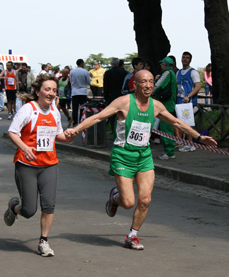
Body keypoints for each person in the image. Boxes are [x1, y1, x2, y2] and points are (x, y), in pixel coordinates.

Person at [64, 70, 218, 250]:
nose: (148, 85)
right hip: (122, 156)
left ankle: (132, 235)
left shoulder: (157, 105)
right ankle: (115, 198)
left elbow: (176, 122)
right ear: (135, 85)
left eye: (151, 82)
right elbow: (99, 116)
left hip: (144, 157)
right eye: (144, 82)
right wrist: (75, 129)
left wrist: (199, 137)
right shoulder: (123, 102)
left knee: (145, 199)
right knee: (128, 202)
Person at [3, 74, 75, 257]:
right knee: (28, 210)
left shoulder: (54, 112)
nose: (51, 93)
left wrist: (68, 137)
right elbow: (12, 132)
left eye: (53, 90)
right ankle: (14, 208)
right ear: (37, 91)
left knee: (49, 205)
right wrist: (25, 147)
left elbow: (57, 136)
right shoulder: (29, 109)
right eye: (47, 89)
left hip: (49, 164)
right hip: (27, 164)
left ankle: (44, 241)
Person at [176, 52, 202, 152]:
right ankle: (183, 142)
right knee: (181, 123)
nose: (185, 59)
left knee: (187, 123)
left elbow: (198, 86)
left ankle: (190, 144)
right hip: (179, 101)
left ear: (190, 60)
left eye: (187, 58)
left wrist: (189, 96)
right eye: (183, 57)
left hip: (189, 102)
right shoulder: (178, 72)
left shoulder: (193, 72)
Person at [153, 57, 178, 160]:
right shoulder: (171, 73)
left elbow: (158, 87)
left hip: (166, 104)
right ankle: (169, 151)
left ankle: (169, 151)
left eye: (162, 64)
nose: (161, 65)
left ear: (165, 65)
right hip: (168, 104)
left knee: (166, 128)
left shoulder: (167, 73)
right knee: (167, 128)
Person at [103, 58, 129, 134]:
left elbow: (106, 86)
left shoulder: (108, 73)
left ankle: (113, 130)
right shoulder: (125, 73)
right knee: (123, 114)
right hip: (122, 95)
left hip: (111, 96)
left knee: (112, 115)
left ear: (111, 64)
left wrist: (106, 97)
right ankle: (122, 130)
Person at [69, 59, 90, 125]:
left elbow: (70, 80)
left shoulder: (72, 71)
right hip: (83, 92)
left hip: (75, 92)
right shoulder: (85, 71)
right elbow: (88, 82)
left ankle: (74, 122)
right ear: (81, 63)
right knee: (82, 108)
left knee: (75, 109)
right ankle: (81, 121)